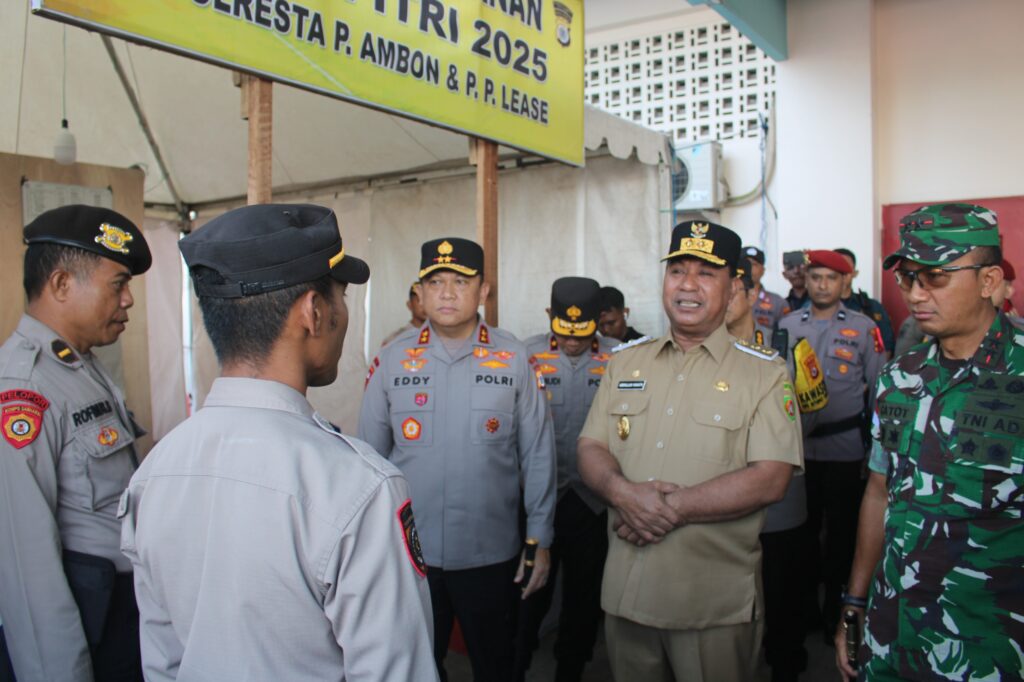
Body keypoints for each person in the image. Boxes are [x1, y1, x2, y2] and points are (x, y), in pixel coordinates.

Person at [119, 204, 436, 680]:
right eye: (341, 295)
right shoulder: (359, 488)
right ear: (313, 311)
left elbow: (163, 661)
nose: (344, 313)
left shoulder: (155, 473)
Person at [577, 220, 803, 681]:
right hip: (626, 596)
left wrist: (665, 508)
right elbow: (590, 445)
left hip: (711, 607)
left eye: (706, 273)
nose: (688, 285)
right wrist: (623, 493)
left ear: (733, 286)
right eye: (677, 270)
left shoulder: (765, 374)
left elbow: (771, 476)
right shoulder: (626, 361)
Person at [836, 203, 1024, 681]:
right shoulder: (900, 376)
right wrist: (855, 602)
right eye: (908, 278)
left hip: (989, 645)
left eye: (935, 277)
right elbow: (880, 490)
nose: (916, 294)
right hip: (892, 631)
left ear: (988, 281)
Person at [359, 237, 556, 682]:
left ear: (483, 291)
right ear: (421, 292)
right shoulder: (392, 360)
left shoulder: (515, 358)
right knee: (415, 666)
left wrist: (540, 538)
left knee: (496, 665)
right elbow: (368, 460)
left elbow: (538, 453)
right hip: (412, 554)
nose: (447, 292)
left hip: (490, 554)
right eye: (436, 281)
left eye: (460, 281)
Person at [0, 205, 151, 682]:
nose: (128, 300)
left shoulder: (79, 367)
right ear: (62, 285)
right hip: (85, 622)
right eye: (118, 284)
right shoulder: (23, 388)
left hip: (118, 614)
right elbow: (27, 570)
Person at [777, 250, 885, 638]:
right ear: (806, 280)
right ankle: (802, 609)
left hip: (844, 449)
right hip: (798, 451)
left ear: (845, 282)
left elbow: (879, 392)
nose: (822, 285)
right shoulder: (787, 323)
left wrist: (875, 452)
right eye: (816, 277)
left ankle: (835, 613)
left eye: (830, 278)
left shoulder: (862, 327)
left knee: (841, 536)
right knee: (800, 535)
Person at [517, 277, 616, 682]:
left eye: (582, 334)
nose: (572, 343)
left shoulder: (620, 360)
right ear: (549, 319)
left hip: (592, 502)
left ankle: (570, 670)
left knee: (584, 595)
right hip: (539, 498)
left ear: (600, 322)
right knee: (528, 592)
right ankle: (518, 663)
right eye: (564, 334)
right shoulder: (526, 356)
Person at [726, 262, 809, 682]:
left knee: (780, 596)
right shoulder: (698, 350)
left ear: (753, 295)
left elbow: (811, 413)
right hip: (722, 503)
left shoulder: (790, 343)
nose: (723, 298)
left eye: (734, 289)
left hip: (779, 507)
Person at [834, 248, 896, 356]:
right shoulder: (818, 308)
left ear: (855, 273)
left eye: (846, 267)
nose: (842, 272)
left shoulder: (872, 307)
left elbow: (886, 348)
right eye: (836, 267)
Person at [743, 245, 790, 330]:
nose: (749, 268)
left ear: (763, 270)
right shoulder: (727, 297)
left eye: (754, 264)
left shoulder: (778, 303)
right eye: (746, 263)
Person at [382, 281, 427, 346]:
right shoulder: (395, 340)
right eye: (419, 300)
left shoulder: (441, 338)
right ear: (409, 305)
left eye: (427, 300)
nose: (424, 305)